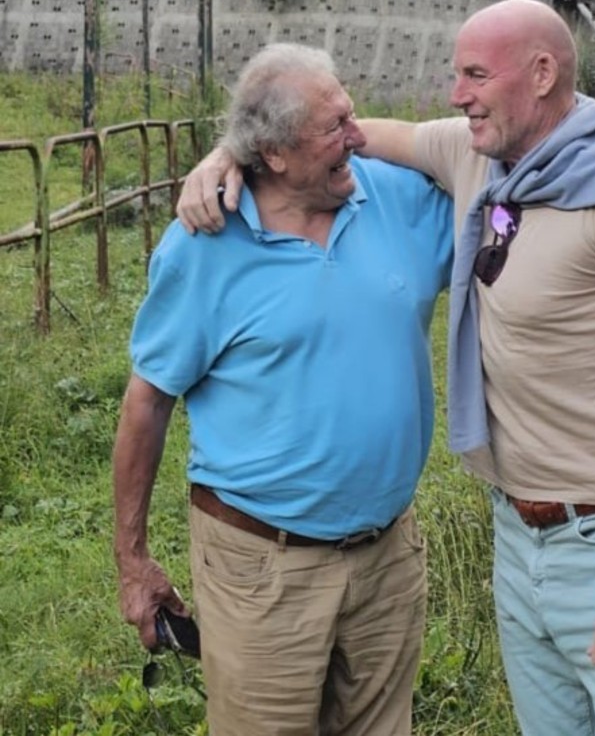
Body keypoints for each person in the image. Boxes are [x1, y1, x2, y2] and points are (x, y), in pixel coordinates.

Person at [177, 0, 595, 736]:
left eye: (473, 74)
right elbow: (340, 136)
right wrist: (230, 153)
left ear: (540, 74)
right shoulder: (481, 155)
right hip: (521, 536)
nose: (454, 94)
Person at [113, 43, 454, 736]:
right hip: (262, 568)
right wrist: (133, 560)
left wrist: (224, 153)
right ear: (271, 155)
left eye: (351, 114)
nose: (355, 136)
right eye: (333, 128)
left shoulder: (397, 195)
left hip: (387, 556)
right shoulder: (204, 246)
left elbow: (502, 165)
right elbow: (148, 401)